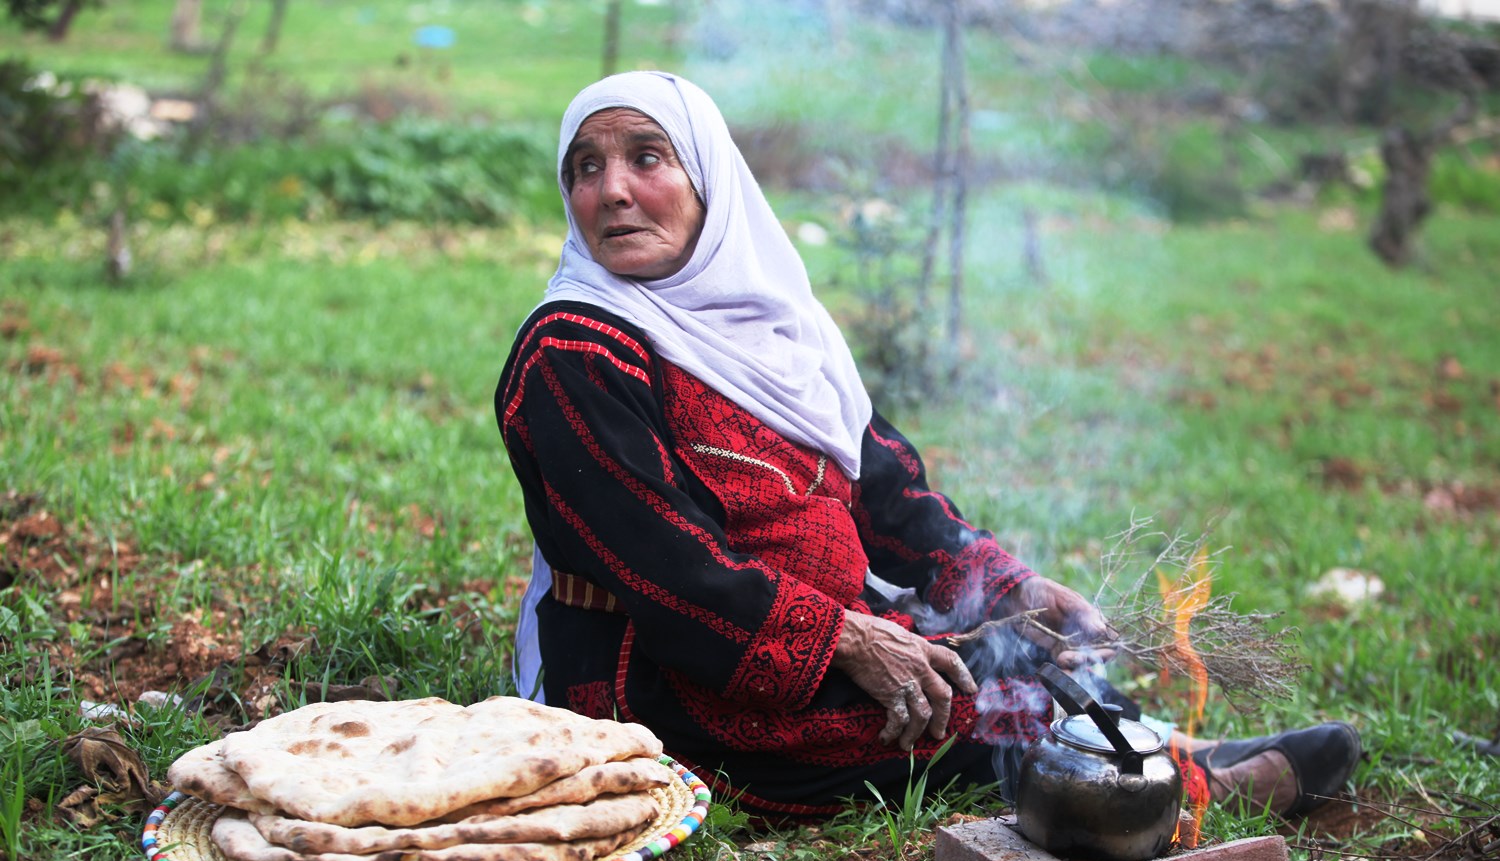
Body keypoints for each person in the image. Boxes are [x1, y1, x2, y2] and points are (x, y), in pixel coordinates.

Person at [495, 71, 1361, 821]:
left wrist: (1006, 581)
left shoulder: (777, 330)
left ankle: (1163, 750)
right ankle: (1175, 781)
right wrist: (849, 640)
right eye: (586, 167)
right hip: (661, 673)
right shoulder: (575, 350)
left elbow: (888, 492)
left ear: (709, 177)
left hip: (819, 622)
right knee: (949, 702)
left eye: (647, 157)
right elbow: (667, 567)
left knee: (1020, 653)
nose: (612, 189)